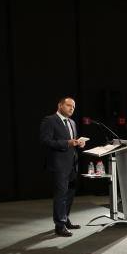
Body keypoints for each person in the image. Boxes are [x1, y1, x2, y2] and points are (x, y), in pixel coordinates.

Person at [39, 96, 85, 237]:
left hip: (72, 164)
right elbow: (45, 141)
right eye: (69, 105)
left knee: (70, 194)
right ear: (60, 105)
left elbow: (72, 143)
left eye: (73, 107)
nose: (71, 108)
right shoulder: (50, 120)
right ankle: (59, 225)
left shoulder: (72, 122)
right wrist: (67, 143)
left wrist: (79, 143)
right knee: (61, 195)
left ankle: (65, 219)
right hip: (59, 165)